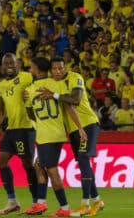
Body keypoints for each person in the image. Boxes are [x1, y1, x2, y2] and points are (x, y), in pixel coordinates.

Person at [37, 57, 104, 216]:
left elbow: (75, 99)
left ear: (65, 68)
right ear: (50, 70)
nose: (58, 71)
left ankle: (84, 204)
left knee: (82, 159)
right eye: (54, 69)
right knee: (83, 162)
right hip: (73, 130)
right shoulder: (52, 83)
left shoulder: (75, 78)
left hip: (87, 125)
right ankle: (97, 201)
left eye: (60, 68)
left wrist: (54, 95)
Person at [25, 57, 86, 217]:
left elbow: (31, 114)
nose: (30, 70)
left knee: (51, 170)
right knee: (39, 165)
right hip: (56, 132)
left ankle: (64, 208)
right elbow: (70, 106)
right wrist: (79, 127)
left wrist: (29, 104)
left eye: (31, 67)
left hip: (47, 135)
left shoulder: (30, 90)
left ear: (37, 70)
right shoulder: (57, 85)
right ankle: (41, 203)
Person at [0, 53, 37, 215]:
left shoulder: (27, 77)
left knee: (28, 166)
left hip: (26, 128)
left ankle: (37, 202)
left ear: (18, 64)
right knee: (1, 162)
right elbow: (1, 109)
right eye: (6, 63)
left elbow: (40, 88)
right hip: (11, 129)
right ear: (1, 67)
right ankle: (12, 201)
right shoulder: (1, 84)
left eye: (12, 62)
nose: (9, 65)